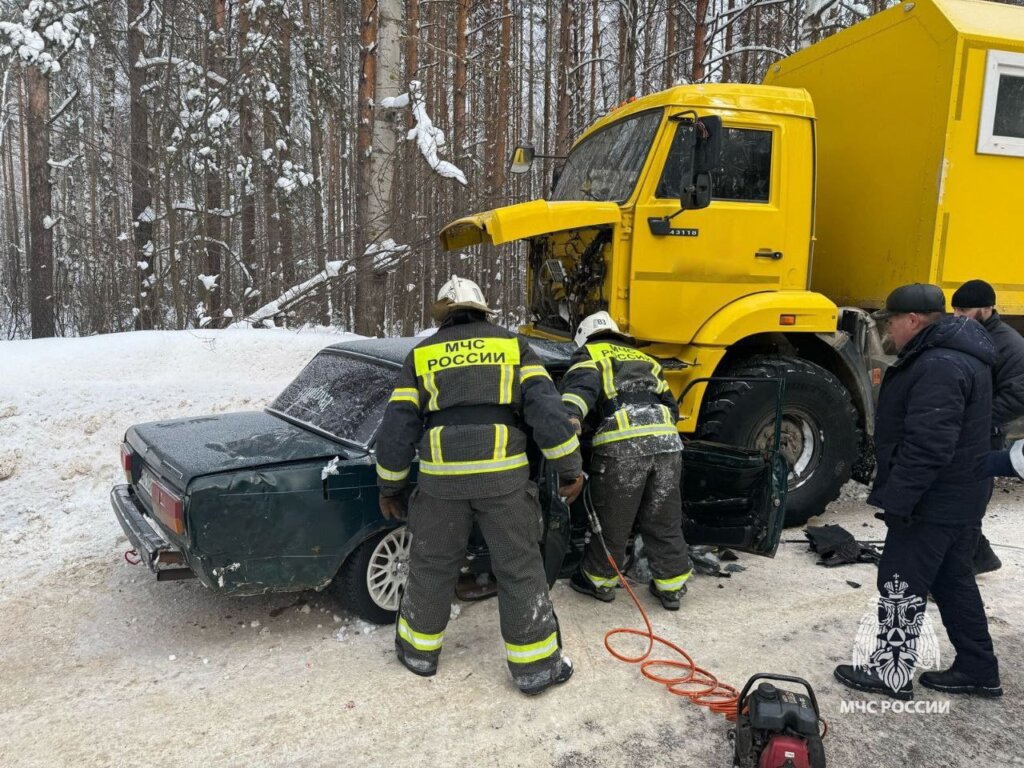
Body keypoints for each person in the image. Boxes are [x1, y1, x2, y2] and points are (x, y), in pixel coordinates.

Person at [375, 275, 584, 696]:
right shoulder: (512, 346)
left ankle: (418, 653)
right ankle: (536, 669)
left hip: (440, 486)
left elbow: (398, 426)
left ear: (444, 316)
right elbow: (547, 410)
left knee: (431, 566)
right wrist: (569, 469)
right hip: (503, 481)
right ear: (483, 311)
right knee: (519, 568)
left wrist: (389, 486)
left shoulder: (422, 354)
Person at [834, 283, 1001, 700]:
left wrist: (899, 500)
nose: (888, 330)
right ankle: (979, 669)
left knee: (899, 581)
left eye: (891, 320)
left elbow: (928, 444)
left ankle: (891, 672)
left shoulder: (940, 364)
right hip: (959, 495)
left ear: (912, 320)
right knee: (952, 580)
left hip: (934, 499)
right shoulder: (957, 356)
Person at [558, 311, 693, 610]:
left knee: (613, 522)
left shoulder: (589, 353)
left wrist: (569, 422)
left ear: (583, 336)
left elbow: (580, 392)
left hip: (622, 447)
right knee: (663, 517)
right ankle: (671, 586)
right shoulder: (647, 359)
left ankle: (598, 581)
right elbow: (670, 407)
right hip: (668, 444)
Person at [951, 278, 1024, 574]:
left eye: (964, 309)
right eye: (954, 309)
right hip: (967, 432)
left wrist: (976, 421)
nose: (957, 315)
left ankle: (962, 568)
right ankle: (979, 556)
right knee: (959, 499)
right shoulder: (969, 333)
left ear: (987, 308)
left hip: (985, 436)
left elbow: (1019, 395)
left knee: (968, 501)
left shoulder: (1010, 345)